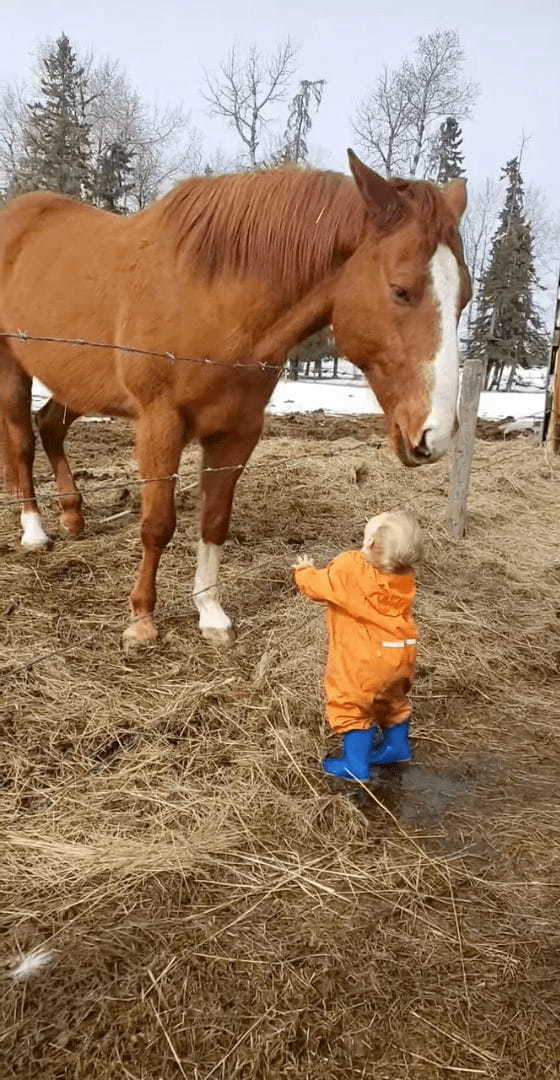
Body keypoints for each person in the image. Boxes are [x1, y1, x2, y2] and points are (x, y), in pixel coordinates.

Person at [292, 510, 422, 780]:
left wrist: (303, 571)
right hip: (402, 655)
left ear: (368, 544)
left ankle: (355, 765)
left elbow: (318, 586)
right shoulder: (404, 575)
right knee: (393, 701)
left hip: (364, 661)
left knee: (352, 704)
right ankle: (397, 747)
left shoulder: (350, 567)